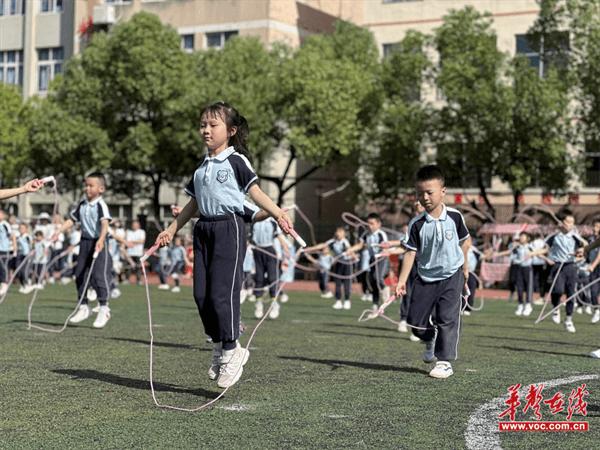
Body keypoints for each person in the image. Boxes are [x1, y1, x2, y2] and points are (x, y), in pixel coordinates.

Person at [155, 102, 293, 389]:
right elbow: (193, 204)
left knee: (222, 294)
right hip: (202, 228)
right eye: (203, 124)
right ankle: (219, 347)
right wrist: (170, 228)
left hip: (228, 228)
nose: (206, 130)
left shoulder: (236, 162)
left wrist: (279, 214)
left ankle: (233, 350)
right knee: (201, 295)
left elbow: (255, 194)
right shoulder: (201, 168)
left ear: (230, 131)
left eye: (213, 125)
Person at [396, 165, 471, 379]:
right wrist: (401, 282)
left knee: (447, 318)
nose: (425, 197)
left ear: (443, 191)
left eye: (430, 192)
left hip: (451, 275)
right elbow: (410, 254)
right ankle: (429, 338)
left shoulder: (456, 217)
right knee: (415, 323)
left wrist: (465, 267)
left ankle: (444, 361)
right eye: (420, 193)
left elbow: (465, 241)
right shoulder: (416, 224)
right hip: (425, 278)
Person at [56, 172, 114, 329]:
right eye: (86, 185)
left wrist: (101, 240)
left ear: (101, 189)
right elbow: (71, 220)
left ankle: (104, 308)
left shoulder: (101, 205)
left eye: (91, 185)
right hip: (85, 242)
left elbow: (104, 224)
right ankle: (83, 307)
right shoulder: (82, 204)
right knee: (79, 274)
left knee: (98, 275)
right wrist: (59, 231)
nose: (87, 188)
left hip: (99, 242)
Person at [531, 211, 585, 333]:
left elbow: (583, 246)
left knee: (571, 293)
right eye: (568, 222)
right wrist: (534, 254)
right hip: (557, 266)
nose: (570, 225)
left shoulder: (575, 236)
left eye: (572, 223)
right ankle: (556, 308)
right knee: (558, 290)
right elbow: (545, 249)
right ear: (561, 223)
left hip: (571, 266)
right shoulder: (554, 236)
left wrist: (580, 252)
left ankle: (569, 319)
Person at [347, 213, 389, 312]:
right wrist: (351, 250)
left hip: (381, 259)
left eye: (372, 223)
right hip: (372, 259)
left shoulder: (381, 234)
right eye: (368, 224)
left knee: (377, 278)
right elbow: (360, 245)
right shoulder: (366, 234)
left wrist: (382, 251)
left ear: (379, 224)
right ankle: (375, 303)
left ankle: (385, 289)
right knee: (372, 281)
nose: (370, 226)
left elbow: (386, 246)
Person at [251, 214, 290, 320]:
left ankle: (274, 304)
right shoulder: (254, 221)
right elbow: (249, 237)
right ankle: (258, 304)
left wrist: (286, 249)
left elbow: (280, 236)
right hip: (258, 251)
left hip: (269, 251)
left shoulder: (272, 222)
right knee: (259, 278)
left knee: (273, 278)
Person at [305, 227, 353, 309]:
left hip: (347, 263)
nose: (338, 233)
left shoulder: (345, 242)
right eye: (337, 231)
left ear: (344, 234)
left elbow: (350, 251)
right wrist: (310, 249)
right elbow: (323, 245)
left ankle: (347, 301)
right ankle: (338, 301)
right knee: (337, 283)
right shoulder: (333, 242)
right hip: (338, 263)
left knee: (346, 283)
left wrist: (350, 255)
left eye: (340, 232)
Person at [125, 220, 146, 285]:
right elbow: (126, 241)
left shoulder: (142, 232)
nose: (134, 226)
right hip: (130, 253)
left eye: (135, 225)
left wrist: (132, 242)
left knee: (138, 267)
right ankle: (127, 279)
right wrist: (135, 242)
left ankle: (139, 280)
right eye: (133, 225)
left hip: (138, 253)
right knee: (128, 267)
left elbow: (142, 241)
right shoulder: (128, 232)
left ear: (138, 225)